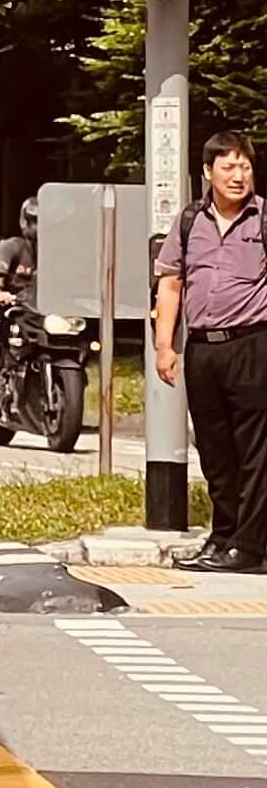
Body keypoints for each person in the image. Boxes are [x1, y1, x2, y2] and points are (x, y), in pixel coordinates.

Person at [156, 131, 267, 573]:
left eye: (245, 167)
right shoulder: (189, 221)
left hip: (252, 344)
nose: (238, 176)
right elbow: (170, 282)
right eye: (228, 167)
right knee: (214, 450)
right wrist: (165, 345)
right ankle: (222, 537)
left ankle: (249, 546)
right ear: (207, 172)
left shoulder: (262, 219)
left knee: (254, 449)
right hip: (202, 349)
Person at [0, 198, 40, 386]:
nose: (39, 227)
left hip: (41, 310)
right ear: (25, 222)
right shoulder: (12, 246)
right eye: (34, 221)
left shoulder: (54, 251)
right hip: (12, 307)